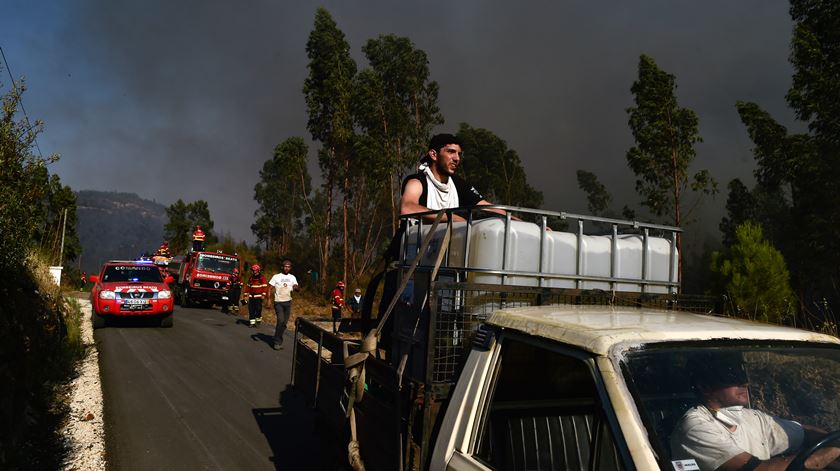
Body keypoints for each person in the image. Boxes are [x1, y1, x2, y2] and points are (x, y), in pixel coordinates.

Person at [670, 352, 840, 471]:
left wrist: (833, 441)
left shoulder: (751, 417)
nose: (744, 382)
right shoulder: (695, 428)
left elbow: (802, 431)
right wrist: (830, 451)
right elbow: (760, 470)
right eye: (731, 376)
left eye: (742, 374)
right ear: (705, 387)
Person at [400, 133, 508, 222]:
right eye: (451, 152)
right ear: (434, 155)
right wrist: (454, 218)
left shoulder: (458, 184)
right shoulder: (417, 182)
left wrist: (515, 220)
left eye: (459, 154)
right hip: (413, 246)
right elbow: (407, 208)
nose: (457, 158)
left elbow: (487, 207)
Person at [268, 260, 299, 350]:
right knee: (280, 321)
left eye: (288, 267)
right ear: (282, 267)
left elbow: (297, 287)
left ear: (290, 268)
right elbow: (269, 288)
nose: (287, 268)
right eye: (285, 266)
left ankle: (277, 336)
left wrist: (296, 288)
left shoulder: (292, 277)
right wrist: (269, 300)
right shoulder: (276, 276)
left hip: (288, 302)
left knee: (284, 324)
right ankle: (277, 342)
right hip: (278, 302)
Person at [244, 264, 268, 328]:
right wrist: (245, 295)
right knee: (251, 310)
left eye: (254, 270)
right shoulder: (251, 278)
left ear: (258, 271)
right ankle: (252, 323)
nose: (253, 271)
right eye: (252, 270)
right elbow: (248, 286)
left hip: (259, 297)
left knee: (258, 309)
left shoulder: (262, 278)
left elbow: (265, 286)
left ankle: (258, 320)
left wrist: (263, 294)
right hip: (251, 296)